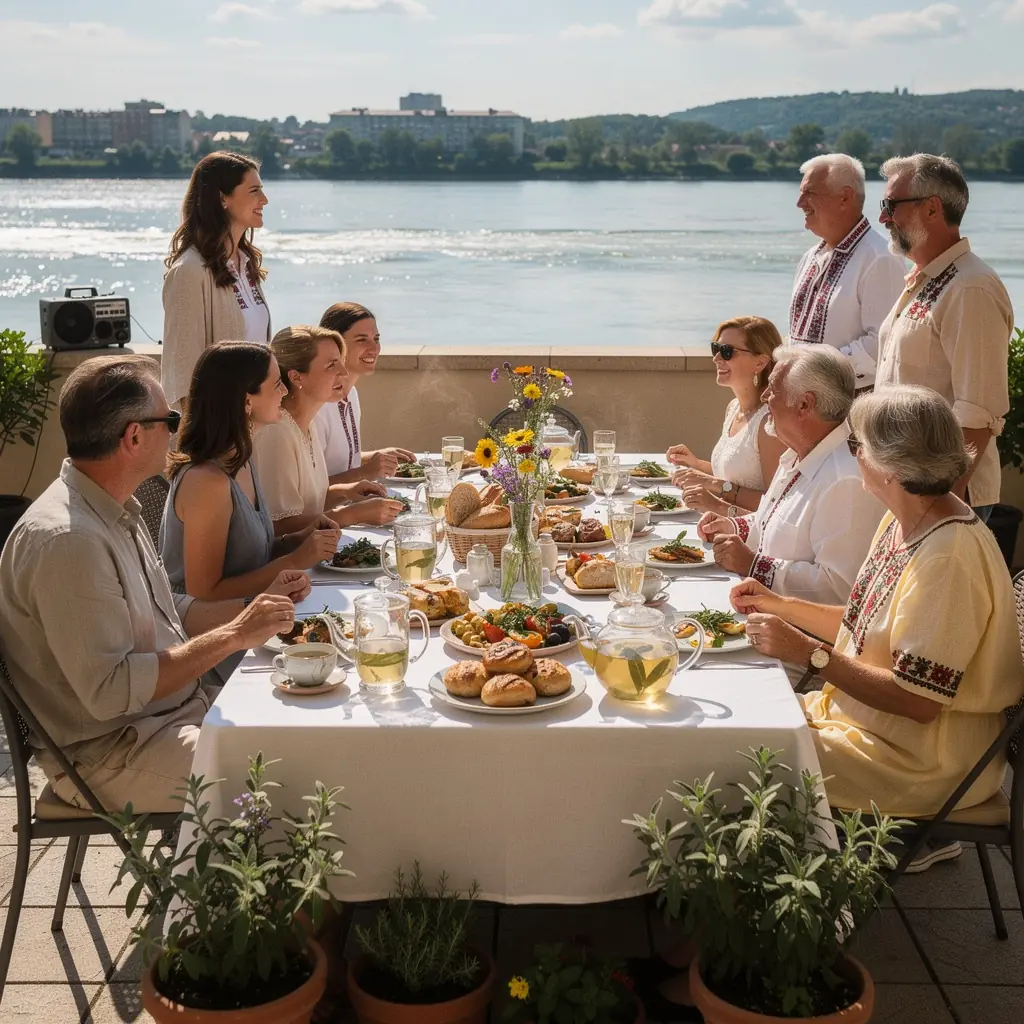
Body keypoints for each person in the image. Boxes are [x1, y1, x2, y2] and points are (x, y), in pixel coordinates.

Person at [731, 385, 1024, 869]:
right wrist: (777, 604)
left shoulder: (948, 556)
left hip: (923, 762)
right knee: (735, 717)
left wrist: (807, 652)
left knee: (730, 753)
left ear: (891, 465)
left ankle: (772, 898)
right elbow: (860, 625)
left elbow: (918, 701)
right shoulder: (905, 520)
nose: (853, 456)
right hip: (867, 727)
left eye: (856, 445)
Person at [0, 355, 301, 812]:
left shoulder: (112, 507)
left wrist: (259, 610)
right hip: (110, 754)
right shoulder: (69, 541)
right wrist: (235, 635)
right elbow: (113, 689)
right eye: (169, 421)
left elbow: (168, 609)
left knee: (311, 725)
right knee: (290, 775)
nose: (177, 433)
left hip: (168, 717)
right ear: (134, 436)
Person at [876, 154, 1013, 523]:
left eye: (891, 205)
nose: (883, 219)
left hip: (941, 498)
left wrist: (942, 505)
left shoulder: (970, 287)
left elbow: (978, 412)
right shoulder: (929, 278)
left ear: (932, 209)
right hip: (908, 490)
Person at [698, 345, 884, 604]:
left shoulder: (845, 480)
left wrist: (752, 564)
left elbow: (840, 589)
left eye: (773, 389)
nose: (765, 396)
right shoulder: (797, 455)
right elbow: (775, 524)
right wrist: (735, 526)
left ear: (804, 404)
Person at [161, 341, 342, 601]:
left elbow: (250, 557)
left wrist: (299, 539)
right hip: (206, 624)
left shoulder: (242, 459)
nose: (284, 391)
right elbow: (203, 595)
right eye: (277, 384)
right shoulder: (206, 482)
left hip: (250, 614)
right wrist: (294, 561)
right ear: (247, 401)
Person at [253, 325, 405, 534]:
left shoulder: (307, 424)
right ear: (297, 377)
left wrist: (345, 492)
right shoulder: (277, 434)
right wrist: (353, 514)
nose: (344, 372)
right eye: (331, 365)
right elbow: (278, 527)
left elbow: (307, 505)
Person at [161, 152, 272, 411]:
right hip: (216, 428)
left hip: (251, 423)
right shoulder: (189, 272)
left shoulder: (246, 265)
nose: (264, 199)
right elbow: (182, 374)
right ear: (223, 198)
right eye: (254, 190)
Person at [788, 154, 905, 390]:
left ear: (844, 197)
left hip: (851, 403)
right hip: (806, 399)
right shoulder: (811, 257)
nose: (800, 203)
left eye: (809, 193)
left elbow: (883, 344)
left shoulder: (880, 258)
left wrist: (814, 371)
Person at [666, 315, 787, 515]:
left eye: (727, 351)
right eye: (716, 348)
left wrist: (713, 488)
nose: (716, 358)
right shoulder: (733, 408)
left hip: (743, 532)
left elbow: (776, 504)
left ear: (760, 362)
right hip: (719, 524)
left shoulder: (769, 422)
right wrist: (696, 465)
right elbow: (733, 477)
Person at [313, 302, 414, 482]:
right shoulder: (318, 406)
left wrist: (376, 457)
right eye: (362, 340)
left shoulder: (351, 394)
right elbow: (311, 488)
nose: (374, 348)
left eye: (376, 339)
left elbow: (342, 461)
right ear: (335, 344)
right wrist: (366, 473)